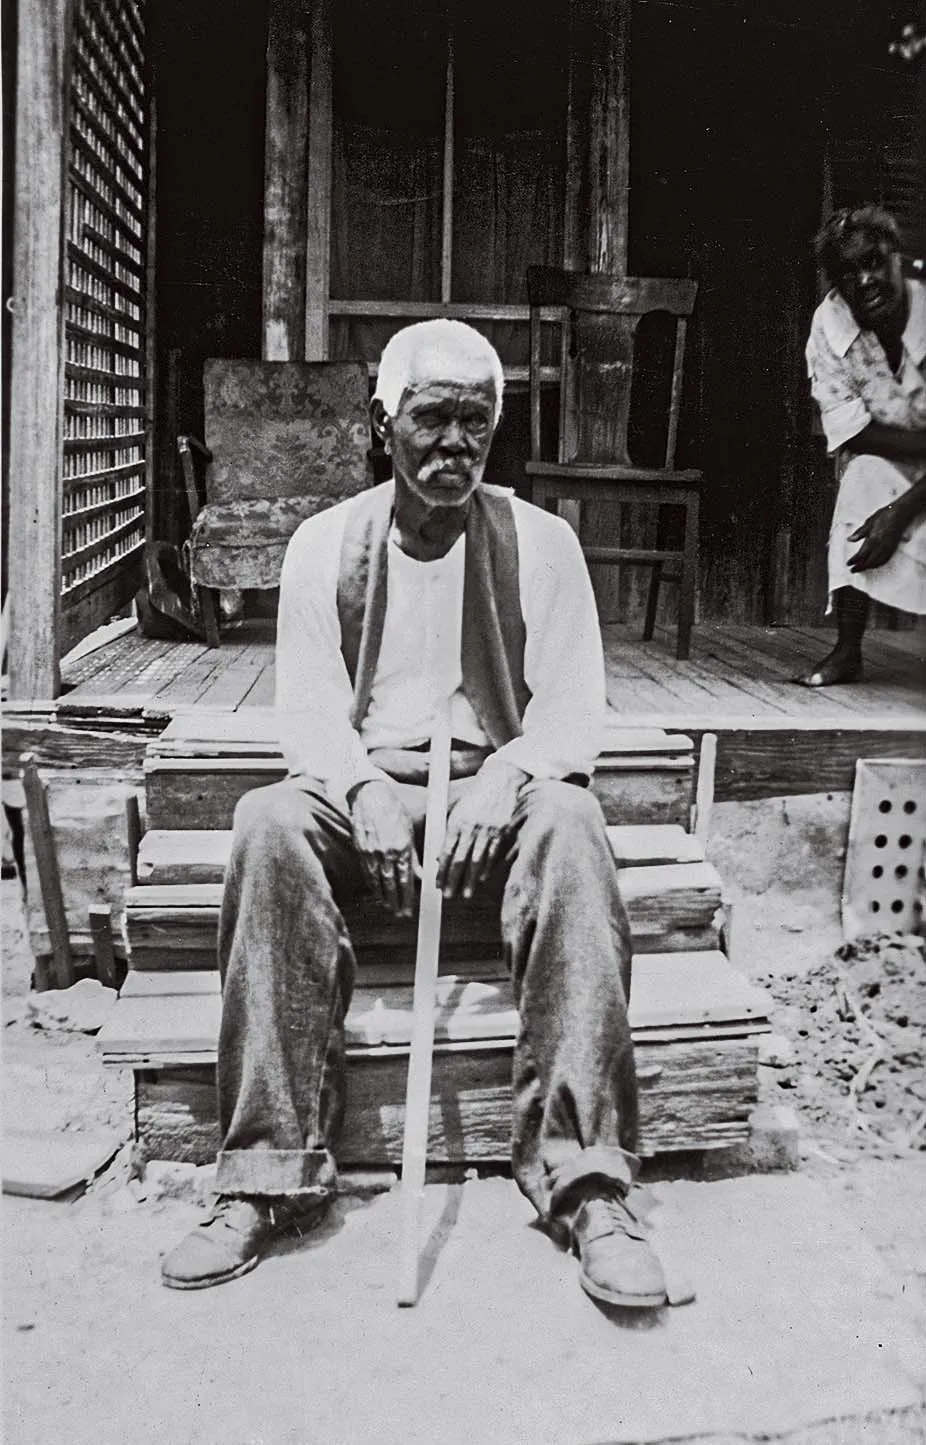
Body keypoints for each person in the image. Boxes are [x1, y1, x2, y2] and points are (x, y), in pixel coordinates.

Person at [161, 319, 668, 1309]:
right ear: (379, 422)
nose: (453, 446)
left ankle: (586, 1179)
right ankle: (266, 1172)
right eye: (430, 419)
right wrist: (357, 789)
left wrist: (509, 772)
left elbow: (569, 717)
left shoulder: (542, 545)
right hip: (369, 787)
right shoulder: (322, 545)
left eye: (473, 423)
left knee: (571, 824)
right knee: (267, 821)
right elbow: (307, 715)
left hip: (497, 790)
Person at [798, 204, 926, 686]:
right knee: (861, 475)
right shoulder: (829, 326)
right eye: (849, 272)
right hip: (897, 462)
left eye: (874, 261)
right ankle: (847, 649)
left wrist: (900, 514)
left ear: (897, 258)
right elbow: (850, 430)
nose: (866, 280)